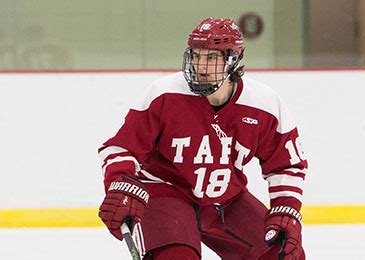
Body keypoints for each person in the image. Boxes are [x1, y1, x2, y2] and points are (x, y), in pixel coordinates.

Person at [98, 17, 307, 260]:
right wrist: (120, 182)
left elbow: (287, 164)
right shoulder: (165, 93)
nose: (200, 66)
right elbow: (121, 148)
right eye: (196, 56)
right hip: (165, 193)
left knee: (283, 253)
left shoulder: (264, 104)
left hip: (227, 200)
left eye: (211, 58)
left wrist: (287, 208)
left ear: (232, 60)